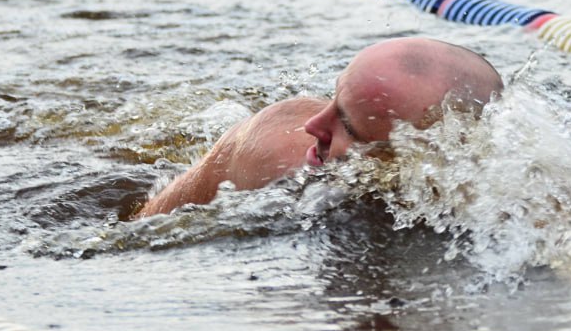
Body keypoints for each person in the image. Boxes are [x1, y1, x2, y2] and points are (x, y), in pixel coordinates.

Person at [135, 37, 504, 217]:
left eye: (349, 127)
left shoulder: (505, 192)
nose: (313, 125)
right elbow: (140, 228)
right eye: (334, 101)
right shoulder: (273, 158)